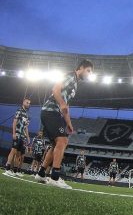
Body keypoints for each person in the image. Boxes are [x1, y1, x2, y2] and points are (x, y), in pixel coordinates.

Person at [35, 59, 94, 189]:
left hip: (55, 113)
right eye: (88, 71)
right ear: (82, 67)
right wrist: (61, 104)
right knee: (62, 141)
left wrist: (69, 123)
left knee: (56, 143)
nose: (89, 74)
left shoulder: (75, 83)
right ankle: (55, 177)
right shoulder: (70, 76)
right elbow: (55, 89)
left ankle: (41, 173)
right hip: (51, 110)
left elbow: (66, 105)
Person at [4, 98, 30, 177]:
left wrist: (28, 137)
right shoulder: (19, 110)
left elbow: (25, 127)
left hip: (22, 137)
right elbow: (14, 122)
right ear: (23, 102)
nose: (28, 104)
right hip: (17, 134)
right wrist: (14, 133)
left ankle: (15, 171)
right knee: (13, 151)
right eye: (27, 102)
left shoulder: (26, 114)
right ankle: (7, 168)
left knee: (18, 154)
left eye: (29, 103)